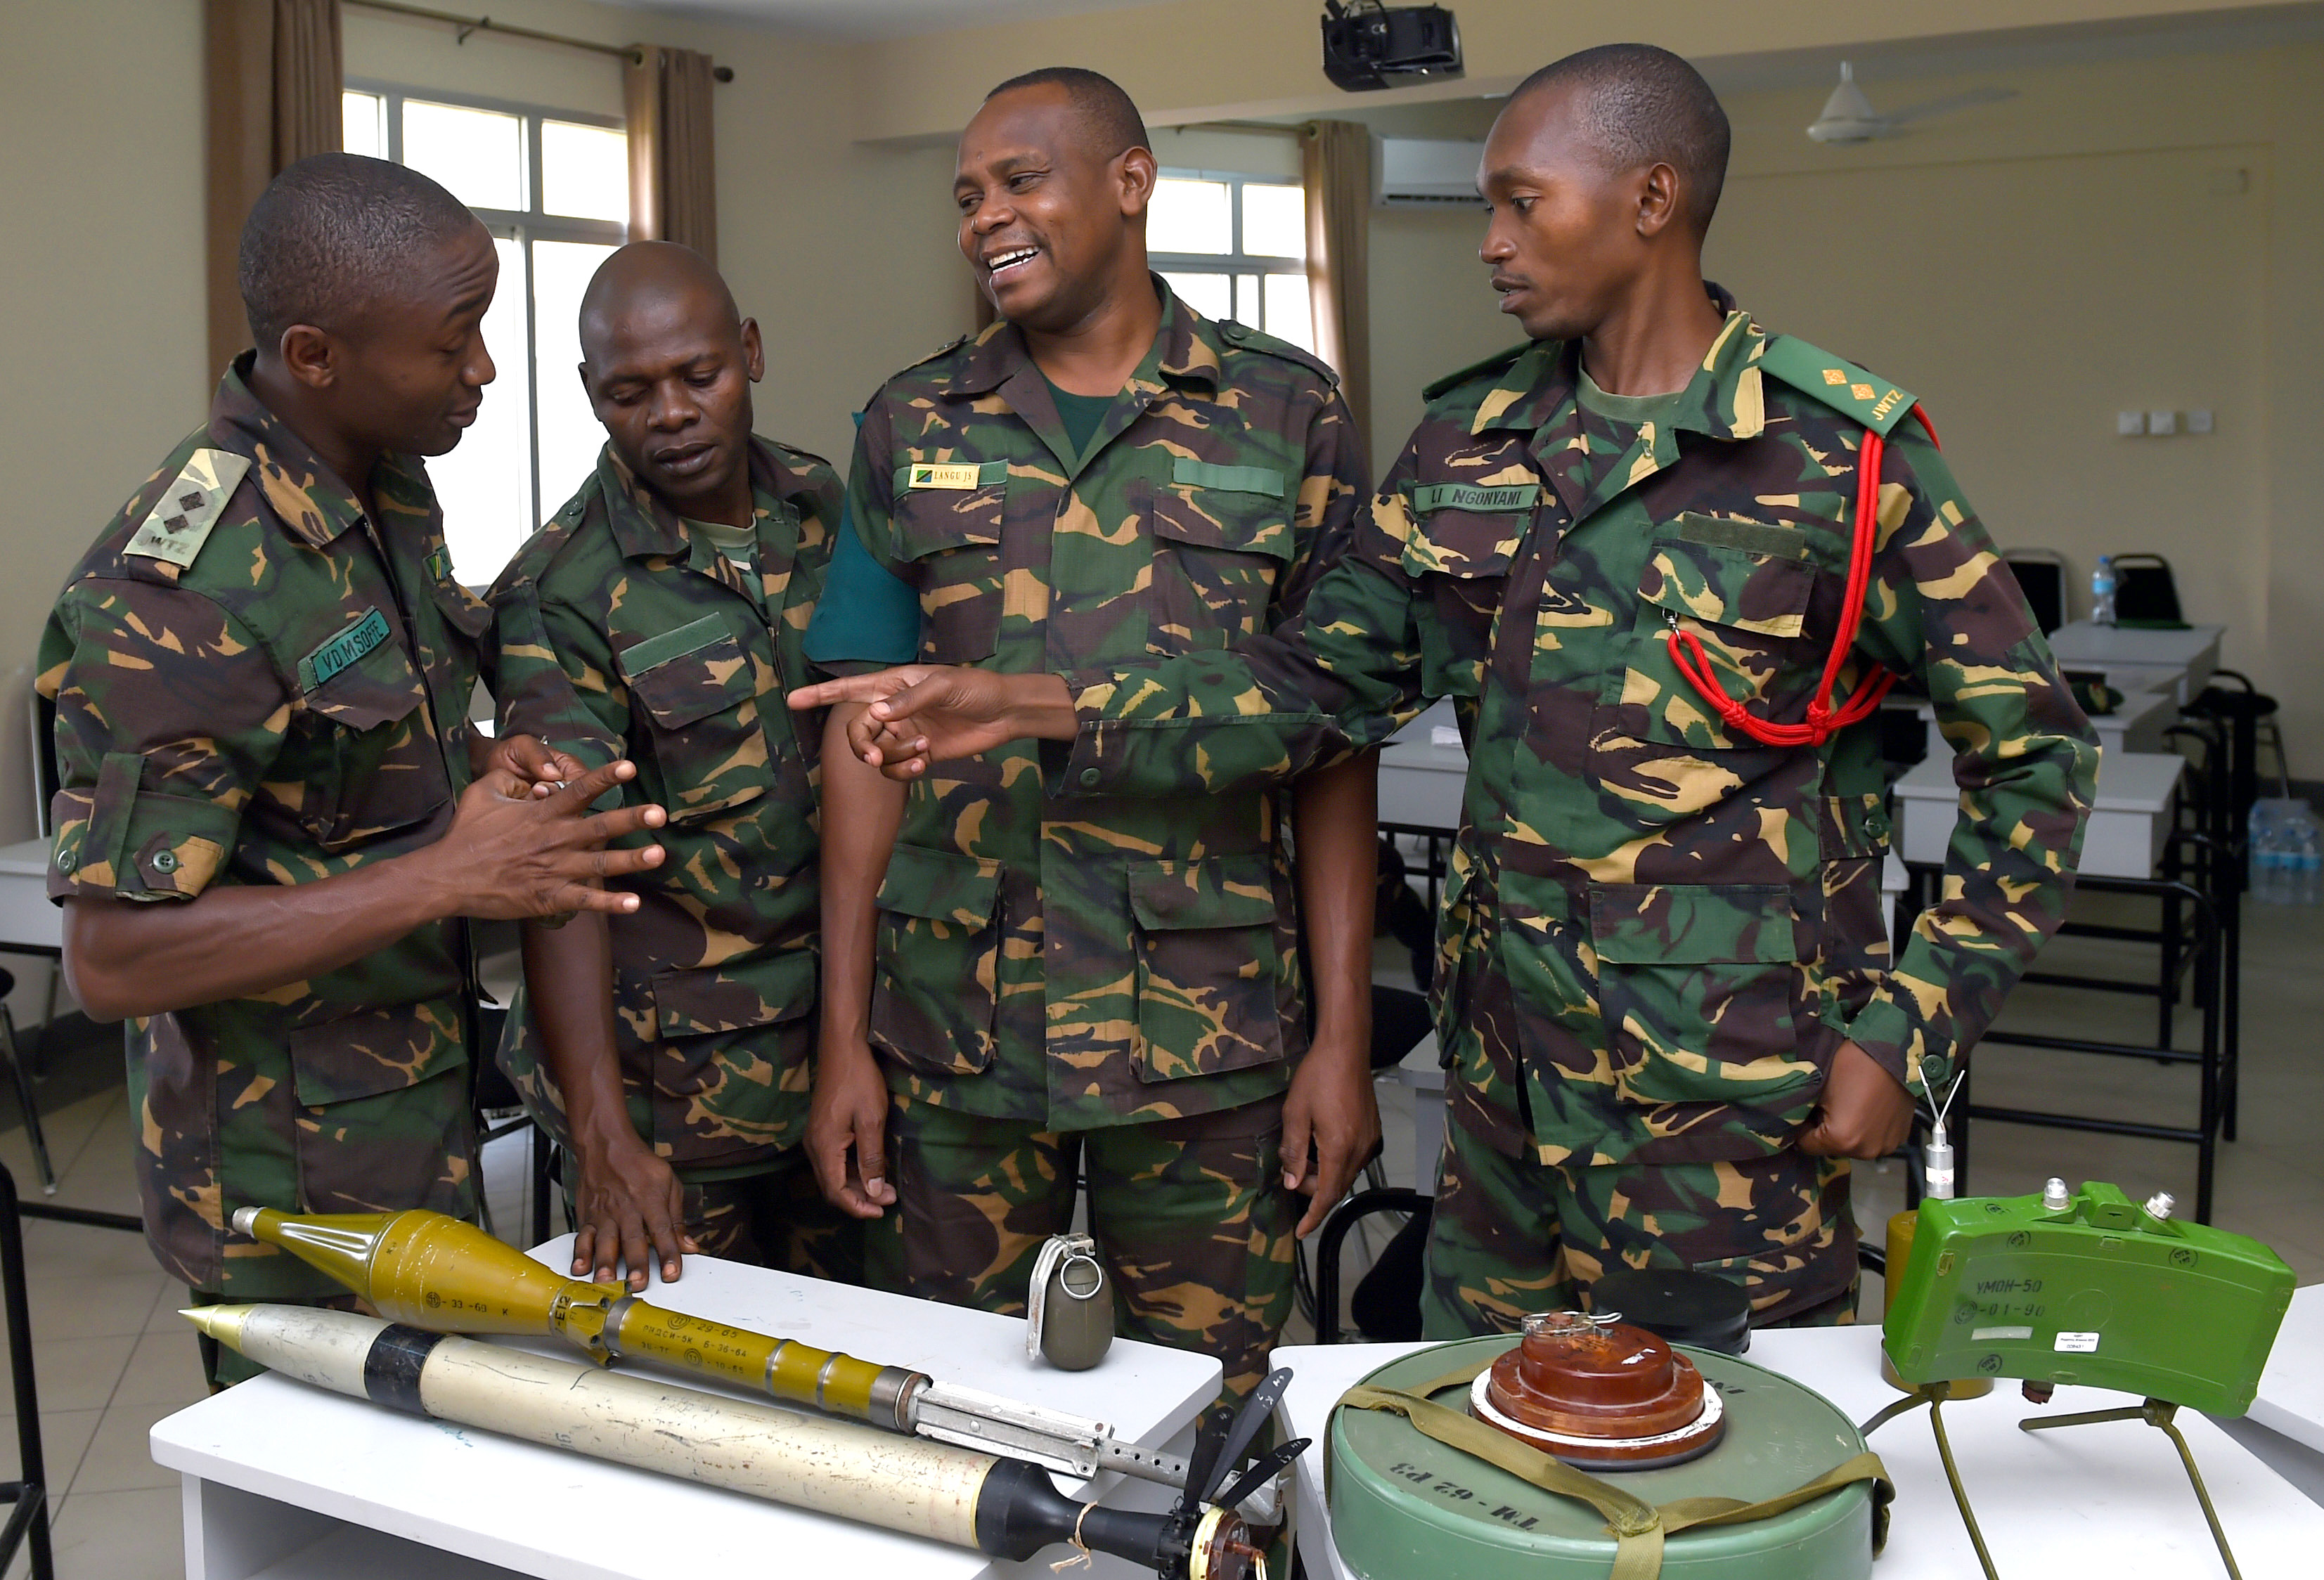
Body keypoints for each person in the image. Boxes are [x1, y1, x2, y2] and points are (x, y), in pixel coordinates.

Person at [796, 45, 2100, 1337]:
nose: (1488, 242)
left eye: (1519, 203)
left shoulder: (1837, 456)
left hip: (1727, 1094)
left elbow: (2037, 764)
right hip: (1498, 1096)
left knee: (1724, 1457)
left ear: (1650, 201)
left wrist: (1906, 1034)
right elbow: (1320, 683)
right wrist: (1042, 705)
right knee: (1483, 1454)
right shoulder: (1466, 446)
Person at [42, 153, 661, 1580]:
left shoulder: (379, 477)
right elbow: (115, 960)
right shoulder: (173, 586)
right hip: (284, 1194)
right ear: (314, 355)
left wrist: (483, 776)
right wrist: (447, 877)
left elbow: (357, 763)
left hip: (414, 1134)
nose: (483, 370)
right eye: (453, 340)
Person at [797, 67, 1377, 1397]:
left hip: (1206, 1031)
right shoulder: (907, 422)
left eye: (1019, 179)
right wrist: (843, 1035)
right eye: (965, 195)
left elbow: (1334, 734)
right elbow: (859, 737)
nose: (983, 215)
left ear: (1129, 182)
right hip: (956, 1025)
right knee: (947, 1409)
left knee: (1210, 1418)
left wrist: (1339, 1039)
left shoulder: (1288, 412)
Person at [489, 242, 853, 1291]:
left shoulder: (821, 504)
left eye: (700, 375)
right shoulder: (560, 588)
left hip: (852, 1049)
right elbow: (561, 879)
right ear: (590, 397)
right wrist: (604, 1142)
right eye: (630, 391)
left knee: (871, 1373)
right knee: (695, 1405)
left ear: (750, 351)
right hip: (679, 1097)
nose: (673, 413)